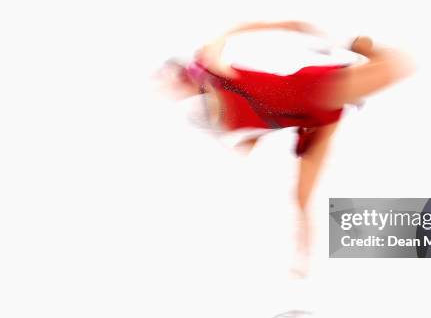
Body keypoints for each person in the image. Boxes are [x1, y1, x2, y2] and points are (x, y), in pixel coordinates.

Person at [160, 21, 412, 276]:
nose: (169, 89)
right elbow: (255, 131)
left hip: (313, 92)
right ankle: (301, 271)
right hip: (308, 121)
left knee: (400, 65)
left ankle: (355, 42)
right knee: (300, 200)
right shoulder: (210, 117)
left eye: (169, 80)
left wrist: (290, 27)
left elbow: (239, 34)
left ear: (181, 73)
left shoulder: (208, 64)